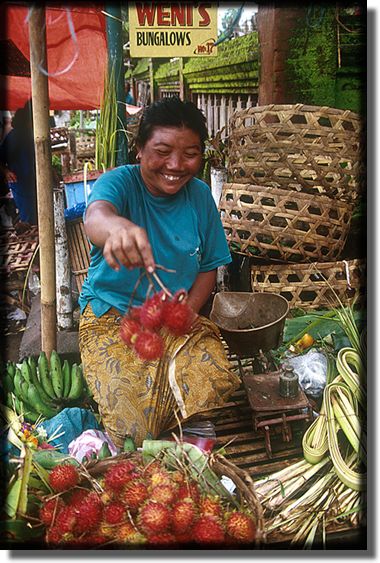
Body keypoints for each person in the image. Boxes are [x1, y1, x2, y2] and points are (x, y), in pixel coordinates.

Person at [79, 96, 240, 448]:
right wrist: (117, 228)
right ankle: (154, 415)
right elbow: (96, 217)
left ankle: (180, 418)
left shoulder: (199, 197)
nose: (176, 164)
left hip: (175, 317)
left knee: (212, 373)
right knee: (132, 422)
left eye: (190, 153)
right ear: (139, 149)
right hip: (113, 316)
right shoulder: (119, 183)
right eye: (162, 151)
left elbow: (209, 266)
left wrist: (188, 310)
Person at [0, 100, 38, 226]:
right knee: (29, 220)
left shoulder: (34, 133)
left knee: (39, 217)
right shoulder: (15, 136)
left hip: (35, 182)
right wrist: (6, 172)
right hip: (21, 184)